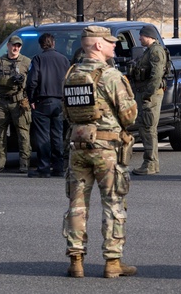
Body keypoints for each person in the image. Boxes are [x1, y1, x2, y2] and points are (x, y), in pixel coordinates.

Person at [62, 25, 139, 279]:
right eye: (109, 42)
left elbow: (66, 113)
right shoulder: (110, 76)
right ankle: (113, 262)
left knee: (77, 205)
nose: (114, 45)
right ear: (97, 45)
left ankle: (76, 260)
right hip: (106, 149)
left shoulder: (71, 74)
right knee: (113, 204)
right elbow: (129, 115)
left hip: (77, 147)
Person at [0, 35, 32, 174]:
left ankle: (24, 163)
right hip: (2, 102)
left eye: (18, 46)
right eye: (13, 45)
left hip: (19, 101)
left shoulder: (27, 62)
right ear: (8, 46)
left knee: (23, 133)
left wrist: (32, 100)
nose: (15, 48)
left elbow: (33, 83)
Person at [26, 33, 70, 178]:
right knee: (57, 135)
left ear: (41, 45)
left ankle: (44, 168)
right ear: (53, 43)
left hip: (42, 101)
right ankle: (58, 167)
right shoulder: (64, 60)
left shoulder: (38, 59)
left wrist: (31, 98)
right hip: (60, 101)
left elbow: (32, 80)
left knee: (43, 136)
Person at [129, 26, 169, 176]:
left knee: (148, 128)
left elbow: (156, 75)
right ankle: (150, 163)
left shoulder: (155, 51)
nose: (139, 39)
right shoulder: (150, 50)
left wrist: (147, 94)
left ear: (148, 36)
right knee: (146, 127)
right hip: (146, 93)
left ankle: (150, 163)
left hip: (150, 95)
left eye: (141, 36)